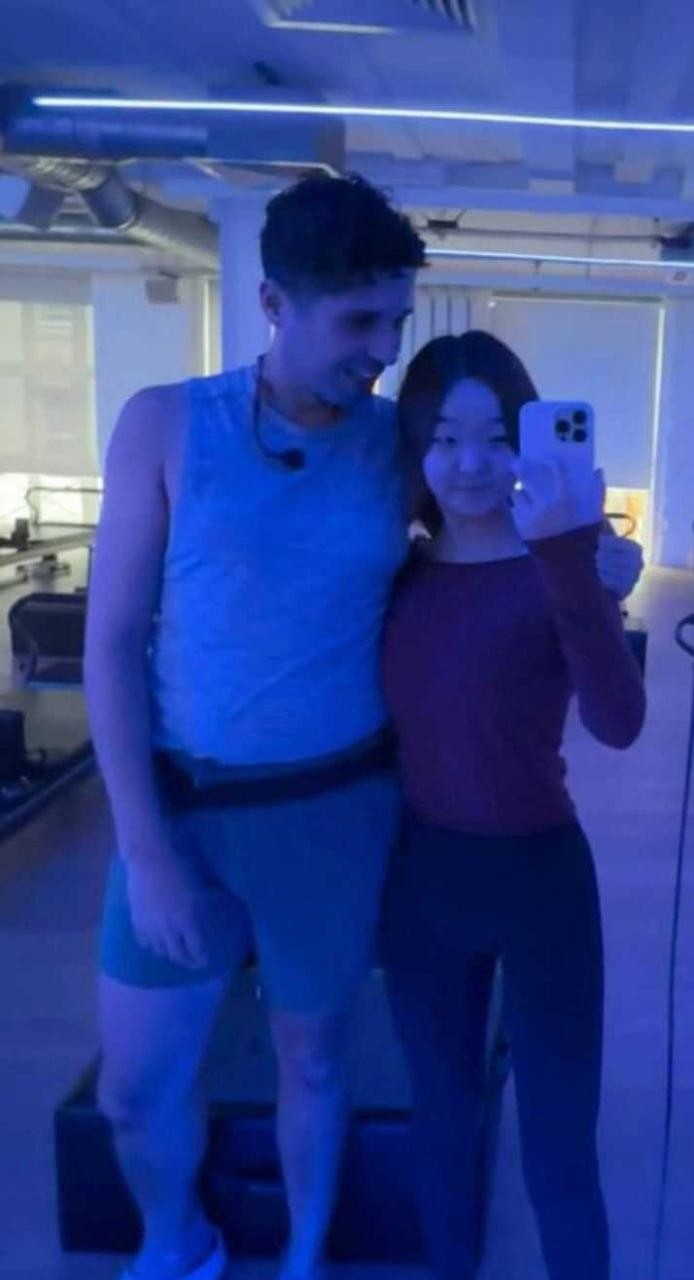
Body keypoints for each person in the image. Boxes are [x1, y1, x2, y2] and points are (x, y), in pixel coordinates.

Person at [84, 174, 643, 1280]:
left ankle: (302, 1255)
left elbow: (523, 579)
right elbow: (111, 643)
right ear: (273, 304)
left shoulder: (398, 441)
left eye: (396, 321)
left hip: (360, 819)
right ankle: (177, 1242)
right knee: (141, 1089)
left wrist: (585, 562)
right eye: (358, 323)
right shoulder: (173, 425)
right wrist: (143, 849)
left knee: (348, 1073)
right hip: (216, 813)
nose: (383, 350)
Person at [380, 329, 647, 1280]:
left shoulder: (561, 568)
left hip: (540, 882)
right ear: (417, 447)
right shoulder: (393, 575)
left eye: (496, 438)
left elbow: (619, 722)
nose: (471, 465)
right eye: (446, 439)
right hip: (423, 883)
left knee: (559, 1149)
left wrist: (575, 563)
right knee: (443, 1127)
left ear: (528, 442)